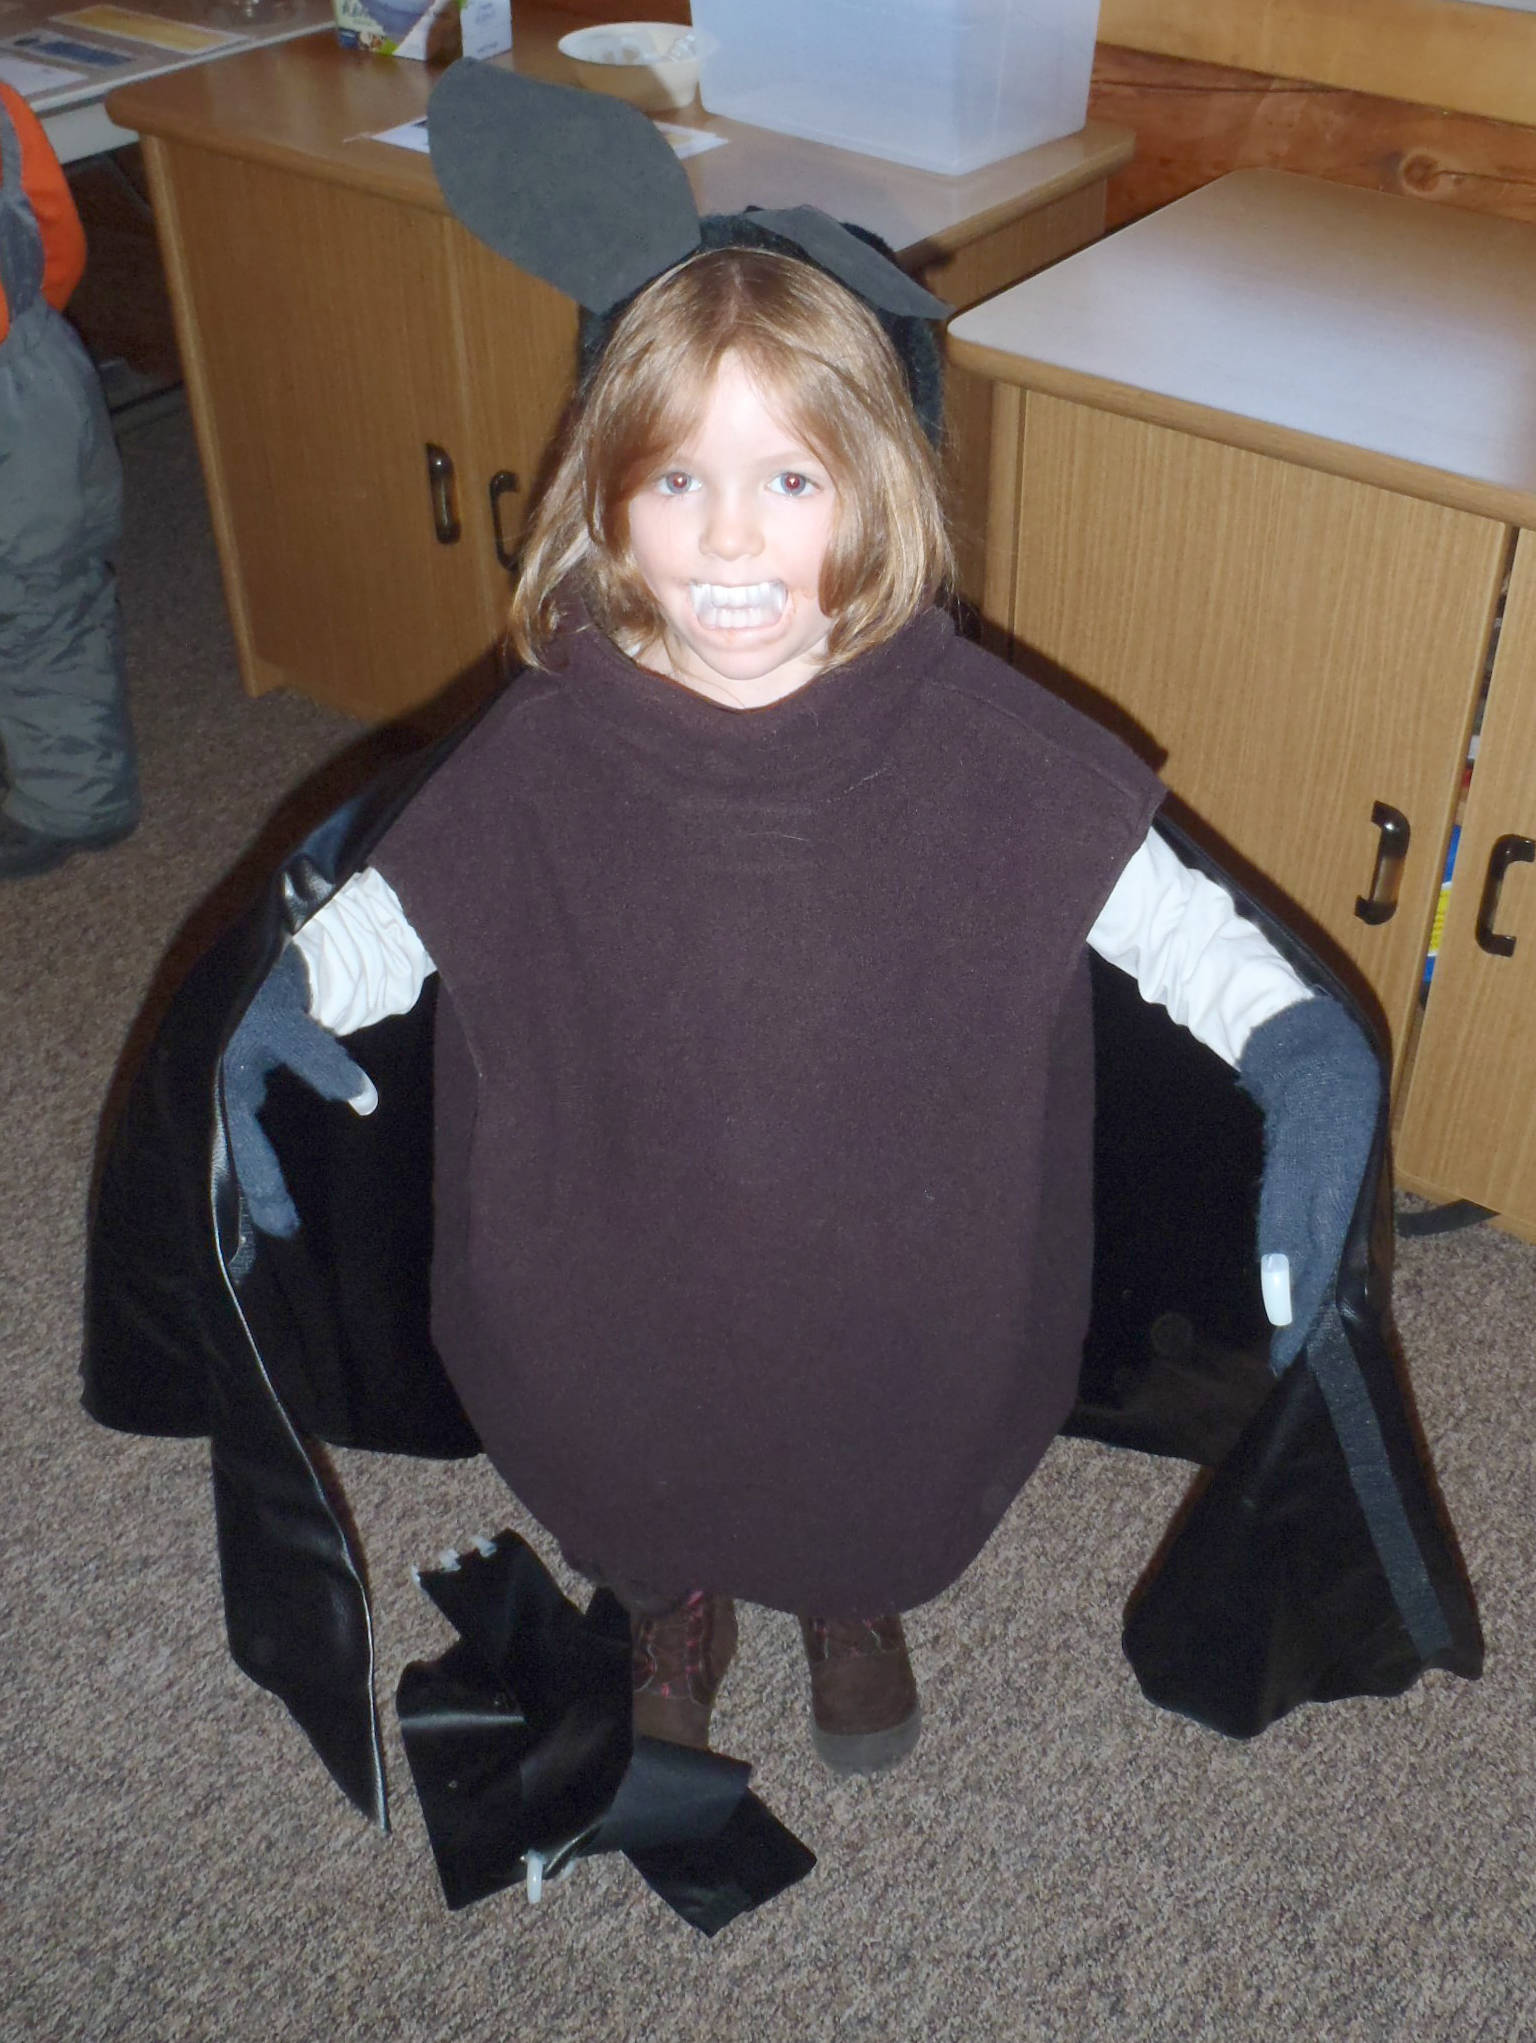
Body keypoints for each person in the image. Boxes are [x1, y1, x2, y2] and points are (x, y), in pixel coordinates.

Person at [221, 236, 1381, 1781]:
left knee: (873, 1446)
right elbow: (410, 908)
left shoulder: (979, 746)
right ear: (605, 498)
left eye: (791, 480)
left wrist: (1294, 1044)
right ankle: (665, 1598)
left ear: (875, 494)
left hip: (894, 1253)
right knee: (622, 1429)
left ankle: (852, 1590)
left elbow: (1160, 911)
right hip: (614, 1234)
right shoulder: (548, 741)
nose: (727, 542)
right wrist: (280, 991)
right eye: (678, 479)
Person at [0, 81, 138, 880]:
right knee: (42, 596)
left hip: (20, 387)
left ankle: (73, 799)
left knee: (41, 595)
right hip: (25, 367)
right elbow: (60, 243)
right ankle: (68, 791)